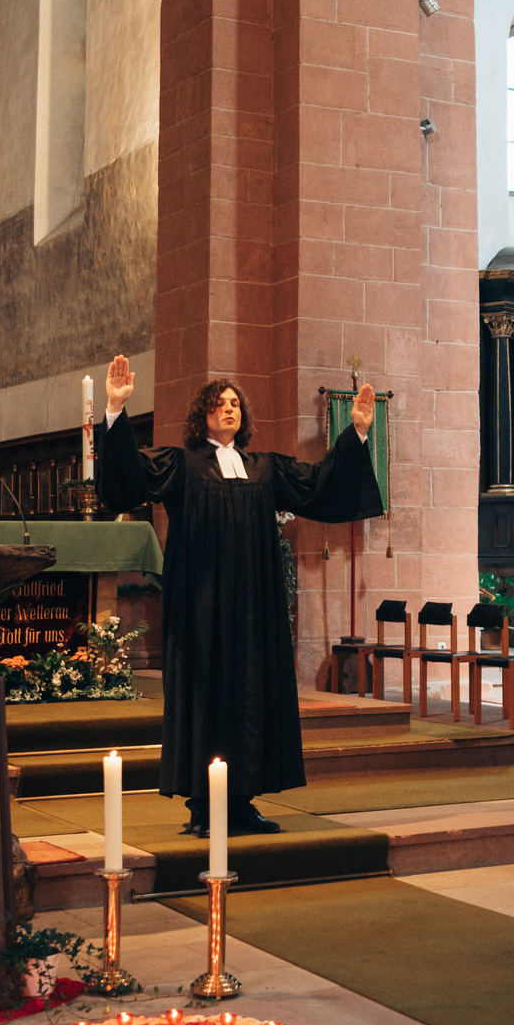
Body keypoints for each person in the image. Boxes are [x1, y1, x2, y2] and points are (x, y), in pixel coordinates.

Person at [94, 354, 383, 838]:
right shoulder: (181, 464)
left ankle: (243, 802)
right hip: (201, 608)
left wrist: (355, 434)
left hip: (254, 609)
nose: (229, 409)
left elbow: (320, 485)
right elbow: (126, 480)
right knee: (205, 696)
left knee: (252, 695)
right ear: (203, 414)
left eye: (235, 404)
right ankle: (204, 806)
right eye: (219, 403)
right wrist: (115, 410)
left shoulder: (265, 468)